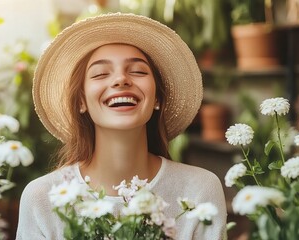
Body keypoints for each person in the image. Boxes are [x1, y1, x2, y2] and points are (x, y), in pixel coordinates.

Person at [16, 13, 227, 239]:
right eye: (100, 74)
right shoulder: (42, 198)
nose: (121, 80)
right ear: (81, 101)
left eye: (138, 71)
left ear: (157, 98)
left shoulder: (199, 190)